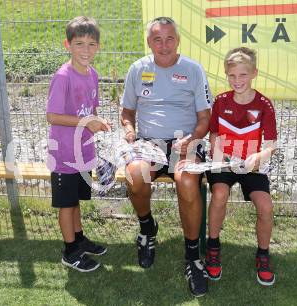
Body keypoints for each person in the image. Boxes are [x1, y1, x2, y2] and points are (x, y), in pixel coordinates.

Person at [120, 17, 212, 297]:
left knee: (186, 181)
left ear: (178, 41)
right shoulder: (137, 69)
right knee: (135, 175)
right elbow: (127, 112)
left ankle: (193, 256)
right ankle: (147, 228)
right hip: (148, 142)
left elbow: (205, 118)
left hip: (185, 141)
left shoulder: (193, 70)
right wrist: (129, 129)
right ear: (149, 42)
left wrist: (191, 139)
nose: (164, 45)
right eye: (157, 39)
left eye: (169, 38)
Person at [205, 47, 278, 286]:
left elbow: (270, 144)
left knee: (266, 206)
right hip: (225, 163)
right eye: (232, 75)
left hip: (251, 165)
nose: (237, 81)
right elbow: (214, 134)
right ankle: (213, 247)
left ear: (254, 73)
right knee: (219, 194)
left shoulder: (264, 104)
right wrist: (219, 156)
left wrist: (259, 156)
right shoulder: (221, 101)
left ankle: (263, 255)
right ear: (226, 75)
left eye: (243, 75)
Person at [46, 16, 111, 272]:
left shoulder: (92, 73)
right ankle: (70, 251)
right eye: (79, 44)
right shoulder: (63, 76)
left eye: (91, 44)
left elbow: (89, 111)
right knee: (66, 204)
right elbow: (52, 116)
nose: (86, 50)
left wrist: (98, 121)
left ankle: (79, 238)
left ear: (98, 46)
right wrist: (86, 122)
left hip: (83, 150)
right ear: (68, 45)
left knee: (75, 201)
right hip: (63, 154)